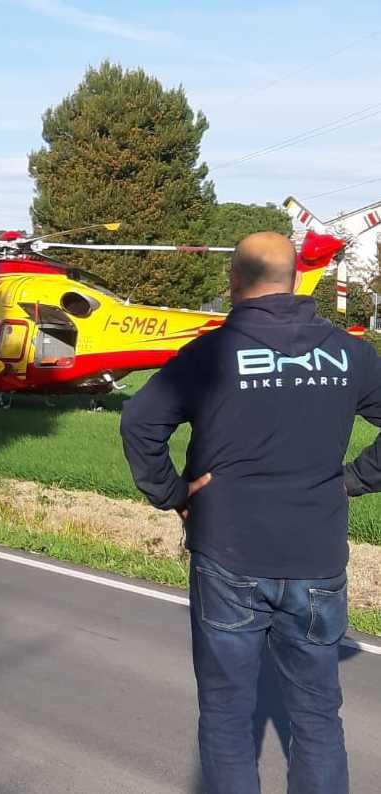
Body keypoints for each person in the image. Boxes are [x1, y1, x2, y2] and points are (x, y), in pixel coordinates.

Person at [121, 231, 381, 794]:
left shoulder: (209, 354)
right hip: (316, 559)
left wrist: (175, 493)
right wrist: (356, 480)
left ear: (233, 281)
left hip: (228, 555)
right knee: (316, 718)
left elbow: (139, 423)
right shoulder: (351, 352)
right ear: (292, 280)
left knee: (226, 715)